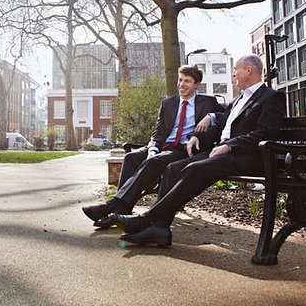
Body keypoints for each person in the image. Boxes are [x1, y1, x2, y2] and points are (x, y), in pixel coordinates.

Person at [109, 55, 286, 246]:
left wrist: (229, 146)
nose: (234, 74)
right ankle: (159, 229)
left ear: (249, 71)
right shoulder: (237, 100)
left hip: (248, 157)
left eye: (236, 69)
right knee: (173, 168)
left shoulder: (271, 97)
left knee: (194, 168)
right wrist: (197, 136)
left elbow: (265, 132)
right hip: (225, 154)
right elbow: (220, 125)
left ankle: (146, 220)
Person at [82, 64, 224, 228]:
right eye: (180, 80)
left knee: (154, 161)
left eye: (187, 81)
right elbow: (158, 133)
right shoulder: (168, 103)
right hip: (163, 146)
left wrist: (211, 116)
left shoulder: (208, 102)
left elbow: (228, 113)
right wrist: (152, 149)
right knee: (130, 157)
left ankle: (113, 207)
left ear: (196, 84)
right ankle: (122, 210)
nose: (181, 84)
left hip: (183, 149)